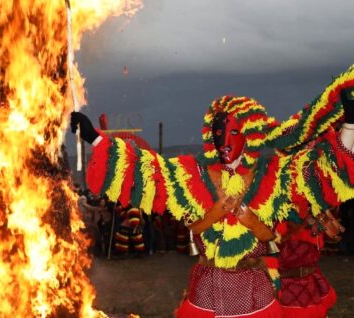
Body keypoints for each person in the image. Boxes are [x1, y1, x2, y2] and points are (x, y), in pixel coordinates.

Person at [70, 65, 354, 318]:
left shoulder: (272, 175)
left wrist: (350, 126)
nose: (224, 141)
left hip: (254, 294)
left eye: (232, 132)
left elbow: (320, 172)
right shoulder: (193, 173)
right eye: (218, 133)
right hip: (206, 292)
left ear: (248, 134)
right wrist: (95, 138)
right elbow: (148, 171)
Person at [276, 208, 344, 318]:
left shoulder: (315, 209)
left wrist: (322, 217)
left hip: (309, 283)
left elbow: (334, 236)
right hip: (283, 285)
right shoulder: (276, 211)